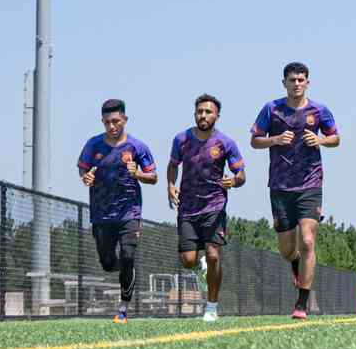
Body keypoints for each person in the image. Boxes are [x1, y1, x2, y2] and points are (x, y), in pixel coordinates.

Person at [250, 62, 340, 320]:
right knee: (288, 250)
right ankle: (295, 264)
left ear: (308, 82)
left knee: (309, 240)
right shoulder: (272, 109)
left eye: (301, 80)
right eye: (292, 80)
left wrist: (320, 139)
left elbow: (336, 138)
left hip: (310, 185)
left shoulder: (319, 110)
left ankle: (301, 303)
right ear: (284, 83)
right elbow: (255, 140)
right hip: (280, 186)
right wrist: (275, 140)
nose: (297, 84)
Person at [167, 94, 246, 322]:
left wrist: (234, 180)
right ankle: (201, 266)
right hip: (188, 209)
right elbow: (173, 166)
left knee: (213, 255)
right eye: (200, 111)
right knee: (188, 260)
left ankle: (211, 307)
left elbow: (241, 173)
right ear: (195, 114)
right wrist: (171, 185)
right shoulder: (181, 139)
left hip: (215, 206)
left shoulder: (225, 143)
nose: (203, 115)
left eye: (208, 112)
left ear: (217, 116)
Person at [77, 99, 157, 323]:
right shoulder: (93, 145)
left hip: (129, 214)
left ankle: (123, 308)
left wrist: (138, 174)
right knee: (107, 263)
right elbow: (82, 168)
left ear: (125, 120)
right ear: (102, 122)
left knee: (128, 255)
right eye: (107, 122)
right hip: (101, 214)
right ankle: (125, 270)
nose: (112, 126)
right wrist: (86, 177)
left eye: (116, 121)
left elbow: (154, 177)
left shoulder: (137, 147)